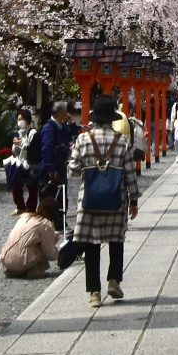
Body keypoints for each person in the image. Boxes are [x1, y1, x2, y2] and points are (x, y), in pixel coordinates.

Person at [57, 95, 139, 306]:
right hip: (116, 198)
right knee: (116, 240)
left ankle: (94, 292)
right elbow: (130, 173)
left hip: (90, 199)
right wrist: (134, 200)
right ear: (112, 118)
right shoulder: (122, 141)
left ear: (95, 118)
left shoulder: (83, 140)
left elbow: (73, 169)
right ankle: (114, 280)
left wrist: (86, 169)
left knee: (92, 244)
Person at [0, 188, 61, 278]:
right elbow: (50, 254)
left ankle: (14, 270)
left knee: (29, 244)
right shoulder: (45, 224)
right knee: (42, 248)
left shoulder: (25, 216)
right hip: (23, 260)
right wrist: (53, 244)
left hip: (5, 257)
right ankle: (34, 270)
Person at [38, 101, 79, 230]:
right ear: (61, 113)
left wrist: (72, 123)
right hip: (51, 167)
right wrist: (50, 168)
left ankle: (60, 222)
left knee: (62, 196)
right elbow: (46, 149)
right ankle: (46, 223)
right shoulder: (49, 128)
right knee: (50, 196)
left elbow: (72, 134)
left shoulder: (62, 126)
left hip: (61, 165)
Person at [7, 107, 39, 215]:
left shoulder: (32, 132)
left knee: (32, 186)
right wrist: (16, 145)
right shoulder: (17, 133)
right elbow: (15, 151)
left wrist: (21, 143)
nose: (20, 122)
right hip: (20, 162)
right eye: (18, 119)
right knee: (15, 184)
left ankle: (31, 209)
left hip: (30, 163)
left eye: (22, 119)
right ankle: (20, 206)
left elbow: (31, 147)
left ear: (27, 120)